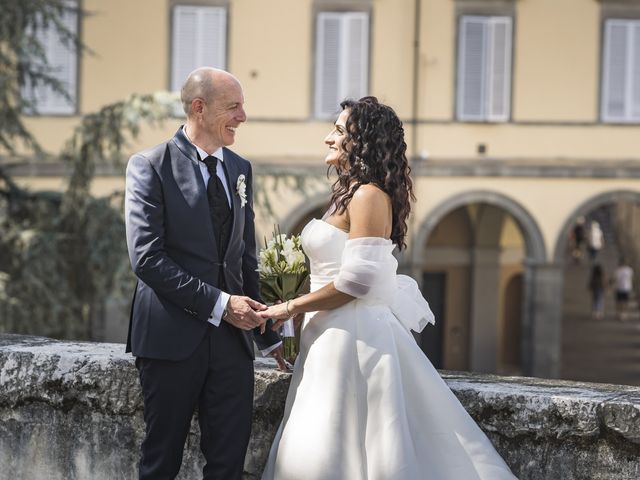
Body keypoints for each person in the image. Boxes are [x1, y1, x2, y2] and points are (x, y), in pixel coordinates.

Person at [259, 97, 516, 479]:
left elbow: (356, 282)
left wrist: (288, 308)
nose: (329, 138)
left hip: (354, 340)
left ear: (362, 142)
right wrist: (296, 327)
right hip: (326, 336)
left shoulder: (369, 196)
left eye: (340, 131)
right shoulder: (347, 194)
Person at [125, 67, 285, 480]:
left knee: (229, 465)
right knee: (161, 462)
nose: (243, 117)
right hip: (169, 339)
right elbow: (147, 258)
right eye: (233, 107)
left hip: (232, 346)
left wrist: (266, 335)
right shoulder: (149, 166)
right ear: (199, 108)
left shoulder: (240, 168)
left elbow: (243, 257)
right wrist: (220, 304)